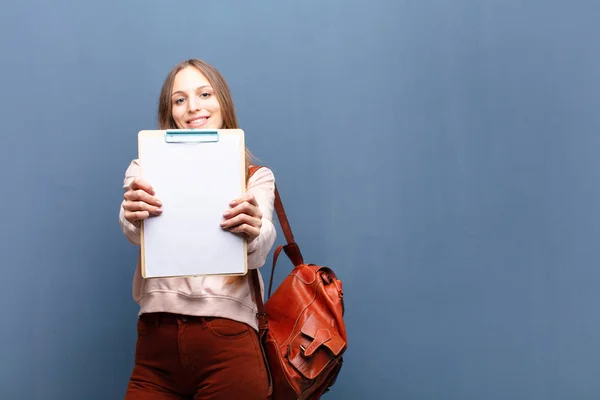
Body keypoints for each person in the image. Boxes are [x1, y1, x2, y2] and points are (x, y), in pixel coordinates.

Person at [119, 59, 276, 399]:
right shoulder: (144, 166)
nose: (193, 107)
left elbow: (261, 248)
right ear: (171, 111)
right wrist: (132, 214)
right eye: (179, 99)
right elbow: (134, 232)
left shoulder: (255, 176)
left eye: (204, 93)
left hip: (229, 342)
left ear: (222, 101)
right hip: (155, 343)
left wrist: (252, 229)